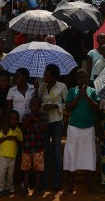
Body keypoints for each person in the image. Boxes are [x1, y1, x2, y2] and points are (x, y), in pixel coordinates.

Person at [64, 69, 100, 194]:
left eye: (84, 77)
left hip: (89, 128)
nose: (82, 80)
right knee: (72, 155)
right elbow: (68, 108)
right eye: (79, 78)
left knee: (89, 156)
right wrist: (79, 96)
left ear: (87, 78)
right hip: (74, 127)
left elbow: (96, 108)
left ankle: (90, 186)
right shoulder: (72, 91)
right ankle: (70, 186)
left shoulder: (93, 91)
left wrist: (87, 97)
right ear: (76, 79)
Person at [38, 63, 66, 191]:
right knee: (45, 151)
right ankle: (44, 180)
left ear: (53, 76)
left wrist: (56, 107)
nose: (44, 76)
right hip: (45, 122)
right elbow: (38, 103)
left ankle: (57, 180)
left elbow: (68, 104)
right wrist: (44, 106)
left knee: (56, 151)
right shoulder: (42, 87)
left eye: (46, 75)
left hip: (57, 121)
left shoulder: (62, 87)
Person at [0, 110, 22, 196]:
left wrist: (15, 139)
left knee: (10, 174)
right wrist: (7, 137)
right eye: (11, 119)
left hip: (13, 156)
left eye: (15, 119)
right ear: (8, 120)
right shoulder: (5, 129)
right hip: (3, 155)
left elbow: (21, 142)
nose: (13, 121)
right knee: (2, 173)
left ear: (18, 120)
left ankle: (7, 188)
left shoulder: (18, 131)